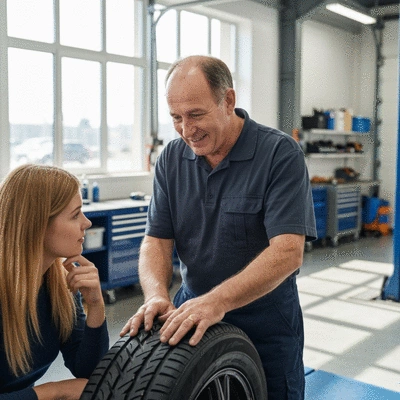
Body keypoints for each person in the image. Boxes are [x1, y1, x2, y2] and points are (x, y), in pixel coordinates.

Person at [121, 55, 317, 399]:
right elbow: (156, 240)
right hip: (191, 313)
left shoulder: (279, 154)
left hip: (265, 323)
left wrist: (218, 301)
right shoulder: (171, 159)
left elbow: (288, 252)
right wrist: (156, 295)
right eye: (176, 118)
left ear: (228, 101)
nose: (186, 129)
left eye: (196, 114)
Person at [0, 164, 109, 400]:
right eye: (75, 214)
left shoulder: (58, 284)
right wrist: (53, 392)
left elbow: (89, 373)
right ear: (37, 225)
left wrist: (96, 305)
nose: (87, 223)